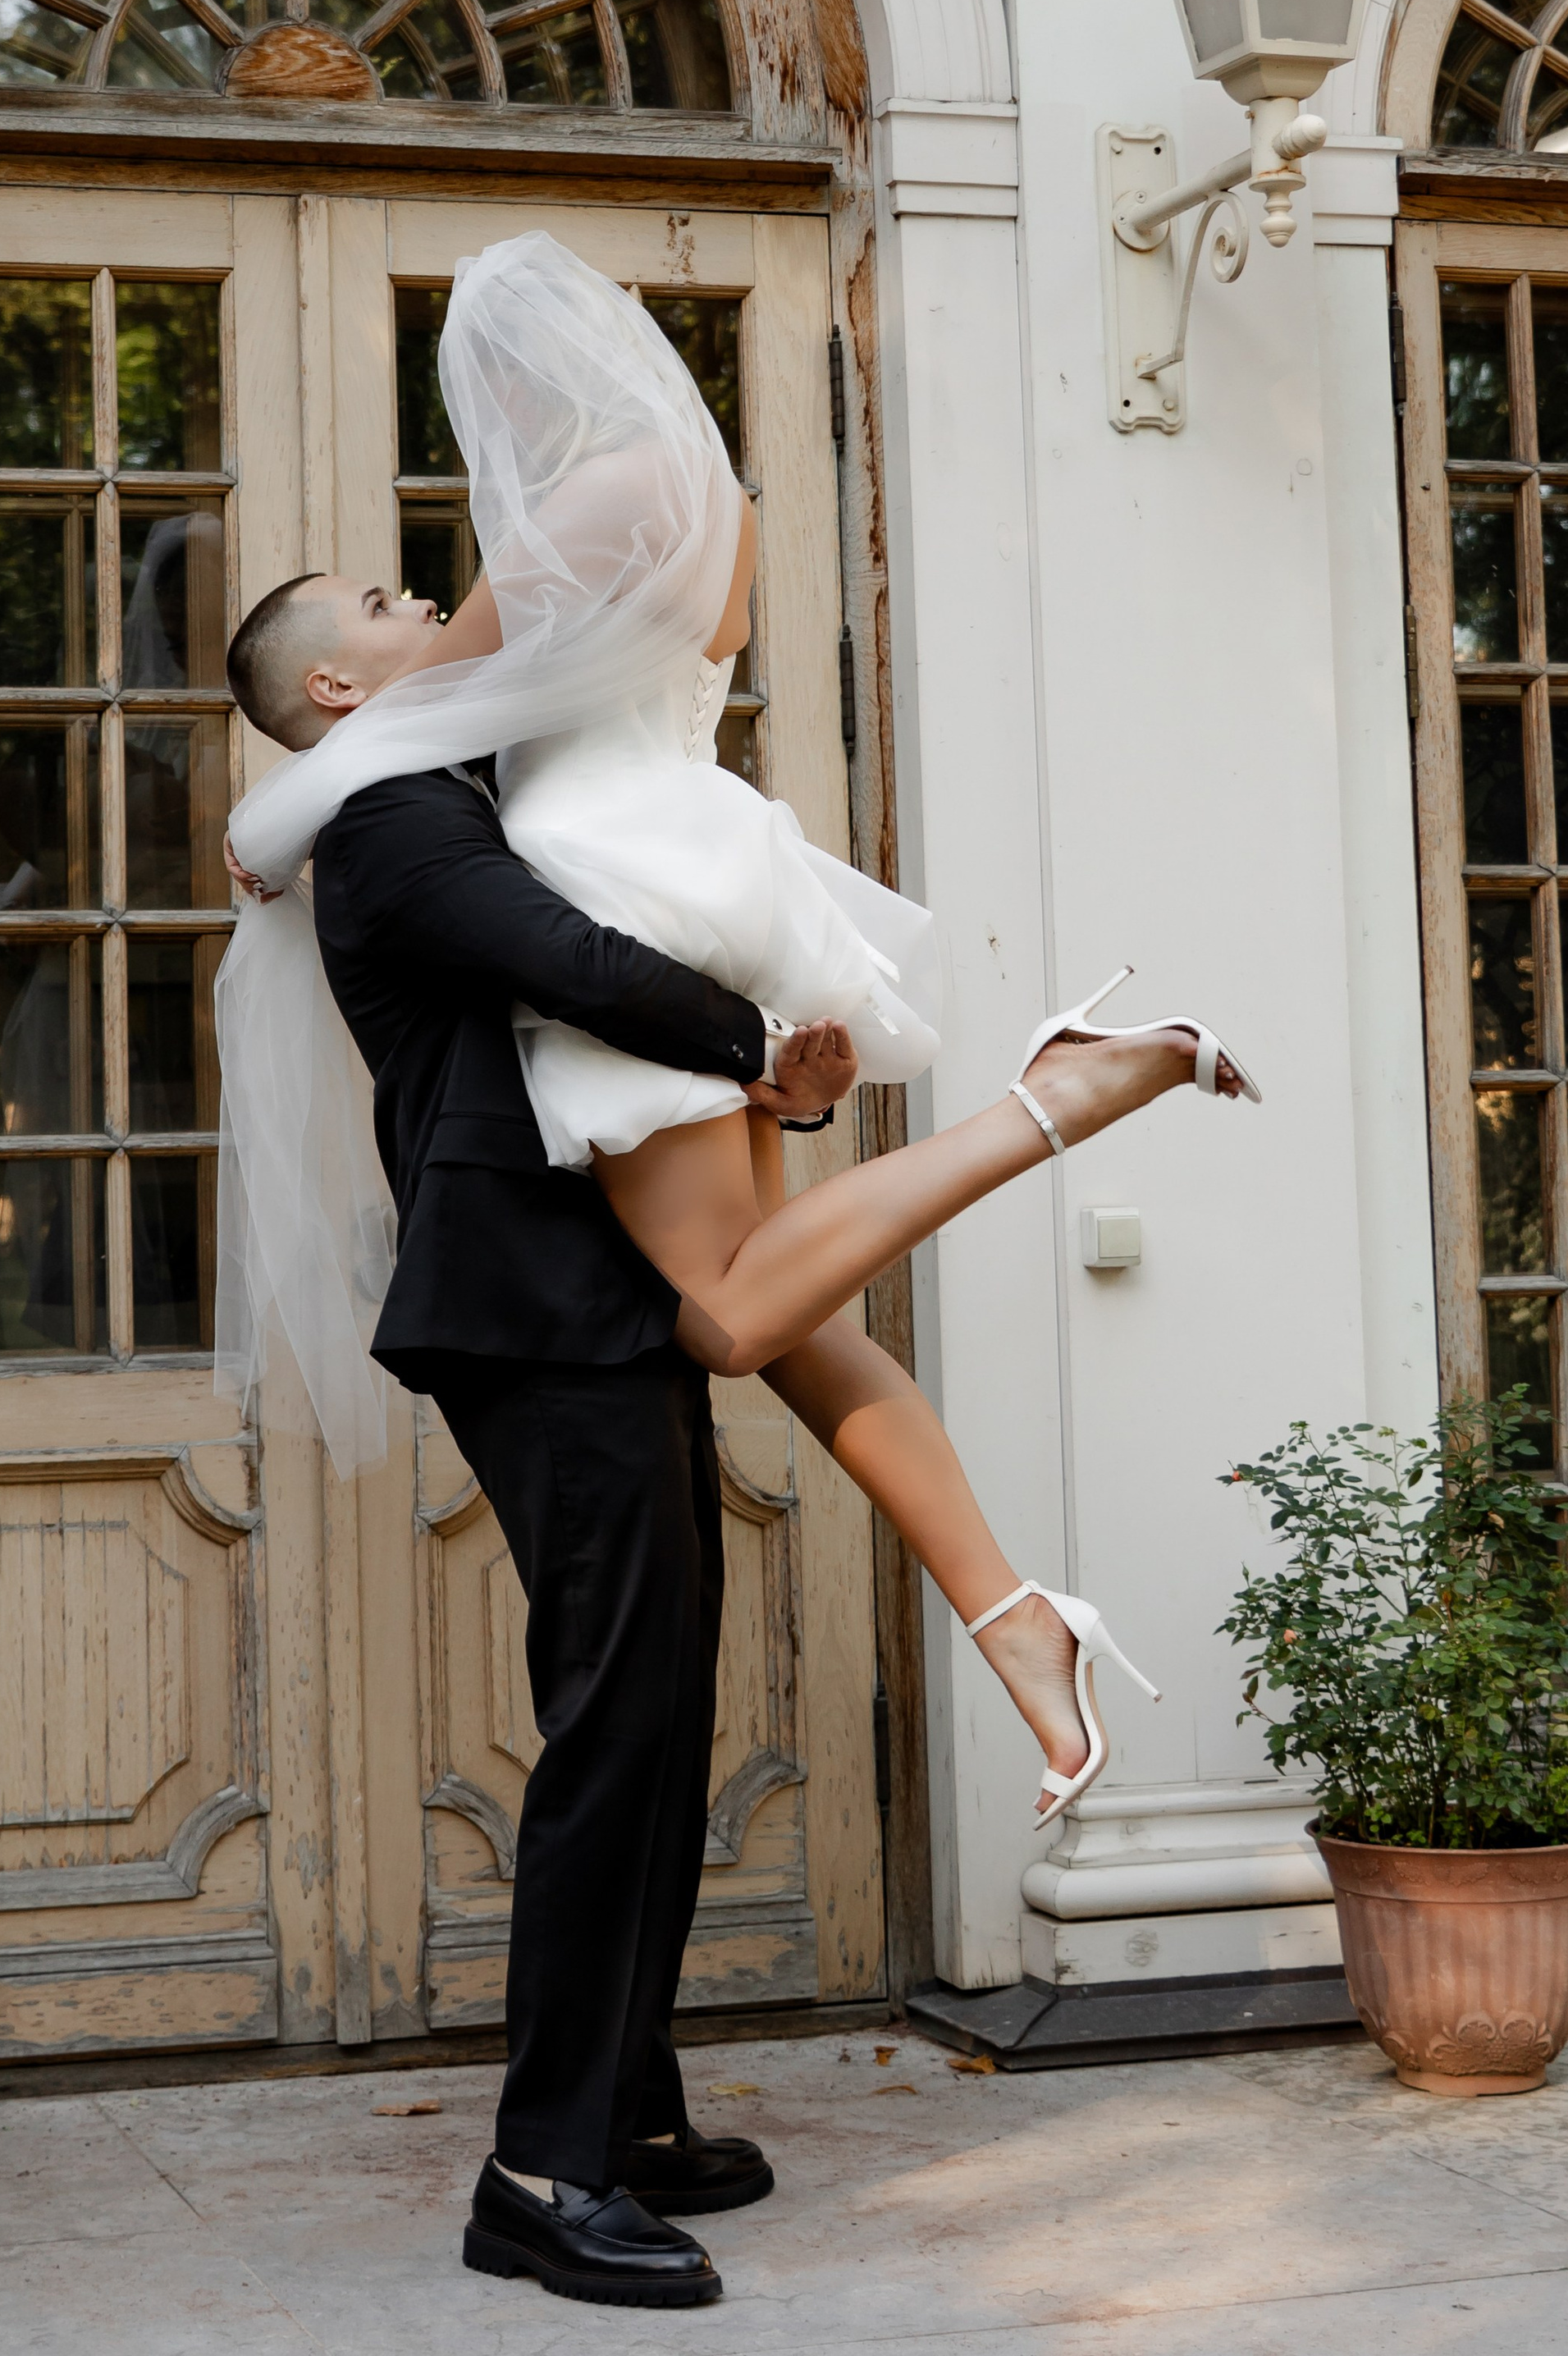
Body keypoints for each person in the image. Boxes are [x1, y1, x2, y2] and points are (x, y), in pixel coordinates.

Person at [216, 236, 1256, 2306]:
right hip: (530, 1311)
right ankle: (537, 2172)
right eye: (383, 607)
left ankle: (628, 2110)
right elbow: (564, 954)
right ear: (332, 689)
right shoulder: (387, 814)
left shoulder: (446, 767)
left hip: (582, 1294)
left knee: (656, 1710)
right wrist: (761, 1044)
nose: (425, 602)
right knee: (617, 1721)